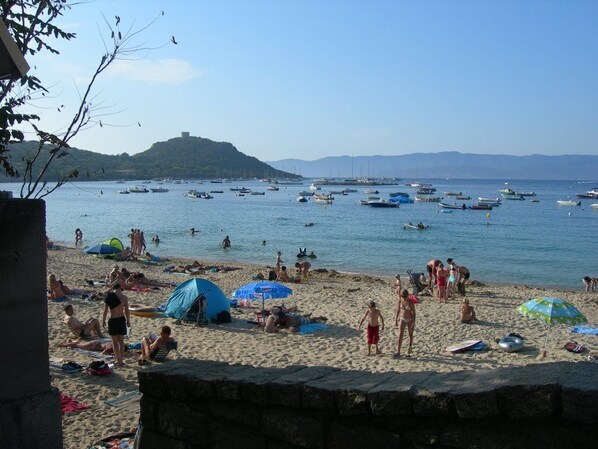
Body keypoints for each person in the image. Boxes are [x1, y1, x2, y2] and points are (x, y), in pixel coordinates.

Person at [102, 284, 130, 367]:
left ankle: (118, 361)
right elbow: (127, 311)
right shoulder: (124, 298)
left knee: (115, 343)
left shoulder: (109, 296)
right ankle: (121, 361)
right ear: (120, 288)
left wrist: (103, 320)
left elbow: (105, 311)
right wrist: (128, 320)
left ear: (113, 289)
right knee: (121, 342)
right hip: (121, 319)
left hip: (113, 320)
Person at [394, 289, 416, 357]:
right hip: (402, 318)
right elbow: (398, 310)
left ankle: (409, 350)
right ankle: (398, 351)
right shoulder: (400, 301)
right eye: (403, 297)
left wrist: (413, 323)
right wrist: (395, 319)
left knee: (410, 334)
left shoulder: (410, 302)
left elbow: (414, 313)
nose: (404, 298)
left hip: (410, 319)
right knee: (400, 334)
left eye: (405, 297)